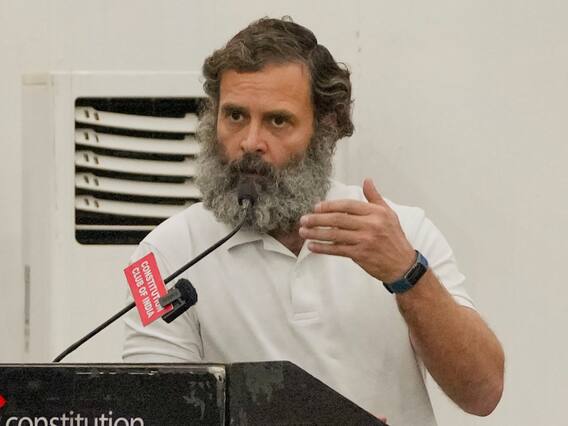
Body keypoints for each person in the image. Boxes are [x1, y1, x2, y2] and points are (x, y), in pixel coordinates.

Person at [122, 17, 504, 424]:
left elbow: (483, 393)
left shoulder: (403, 234)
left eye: (277, 121)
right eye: (235, 116)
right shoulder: (159, 258)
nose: (250, 142)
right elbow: (154, 411)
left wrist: (407, 273)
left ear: (325, 128)